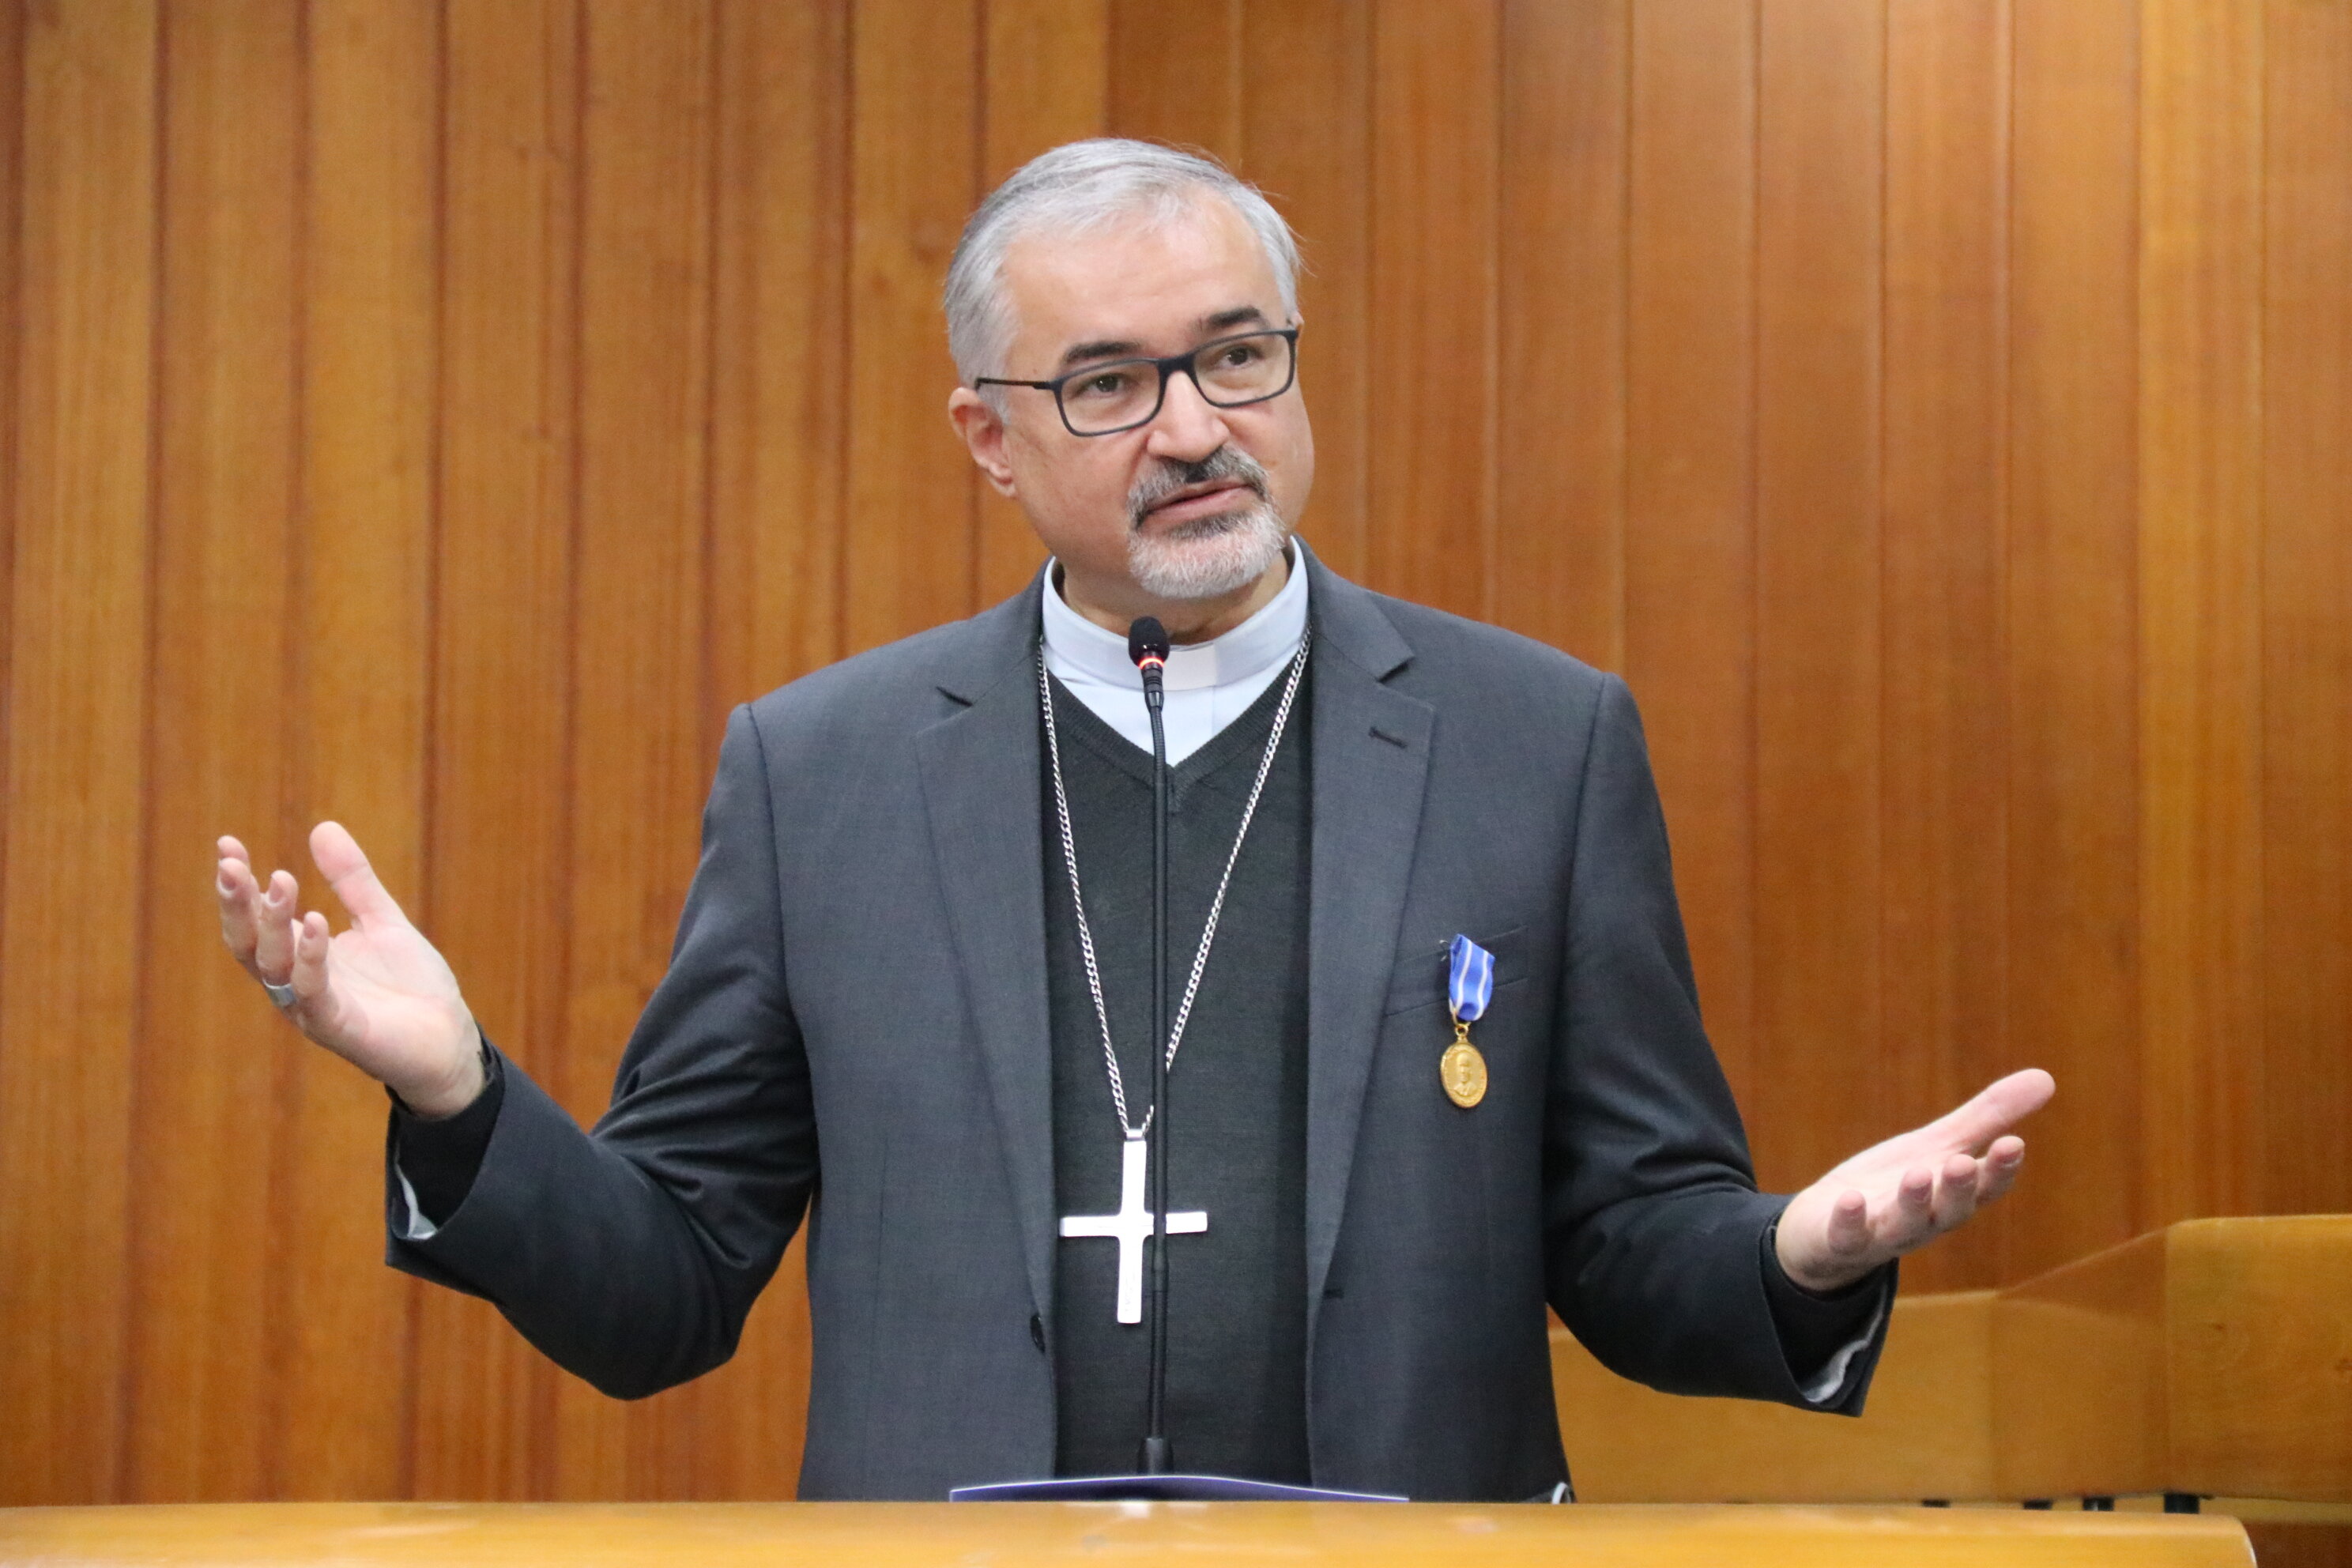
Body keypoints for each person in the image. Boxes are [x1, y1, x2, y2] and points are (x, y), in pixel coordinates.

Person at [214, 140, 2052, 1502]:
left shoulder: (1534, 739)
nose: (1193, 427)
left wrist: (1798, 1247)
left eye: (1236, 355)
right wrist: (458, 1095)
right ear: (990, 439)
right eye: (1109, 382)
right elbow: (665, 1291)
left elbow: (1637, 1242)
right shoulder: (823, 772)